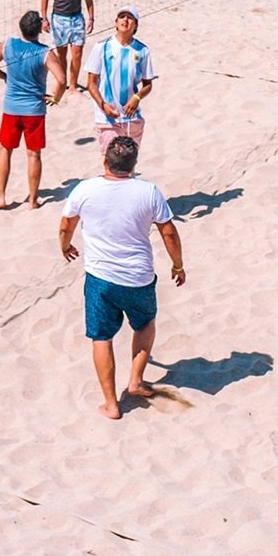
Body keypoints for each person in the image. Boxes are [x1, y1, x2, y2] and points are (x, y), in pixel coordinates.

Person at [59, 138, 184, 420]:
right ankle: (136, 380)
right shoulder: (148, 192)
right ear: (134, 164)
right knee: (145, 324)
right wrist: (178, 265)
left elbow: (66, 225)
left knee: (102, 337)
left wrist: (65, 246)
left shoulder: (85, 189)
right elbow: (169, 233)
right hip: (138, 276)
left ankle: (111, 403)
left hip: (100, 277)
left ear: (105, 160)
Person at [0, 12, 67, 210]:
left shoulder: (8, 44)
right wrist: (55, 97)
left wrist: (5, 77)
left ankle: (1, 196)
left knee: (5, 149)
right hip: (34, 110)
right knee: (33, 155)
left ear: (21, 27)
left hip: (11, 108)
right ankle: (32, 200)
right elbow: (61, 80)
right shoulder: (45, 52)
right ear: (39, 30)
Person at [82, 8, 155, 152]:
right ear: (115, 23)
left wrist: (137, 97)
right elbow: (91, 83)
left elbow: (148, 85)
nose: (125, 20)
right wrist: (102, 105)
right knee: (111, 162)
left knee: (130, 163)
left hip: (131, 118)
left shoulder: (142, 50)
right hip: (107, 117)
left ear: (135, 26)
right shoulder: (101, 47)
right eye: (122, 17)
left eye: (130, 18)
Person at [39, 0, 95, 94]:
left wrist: (91, 18)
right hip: (59, 19)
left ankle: (72, 85)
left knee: (77, 55)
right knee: (61, 55)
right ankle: (62, 83)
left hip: (77, 19)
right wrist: (44, 19)